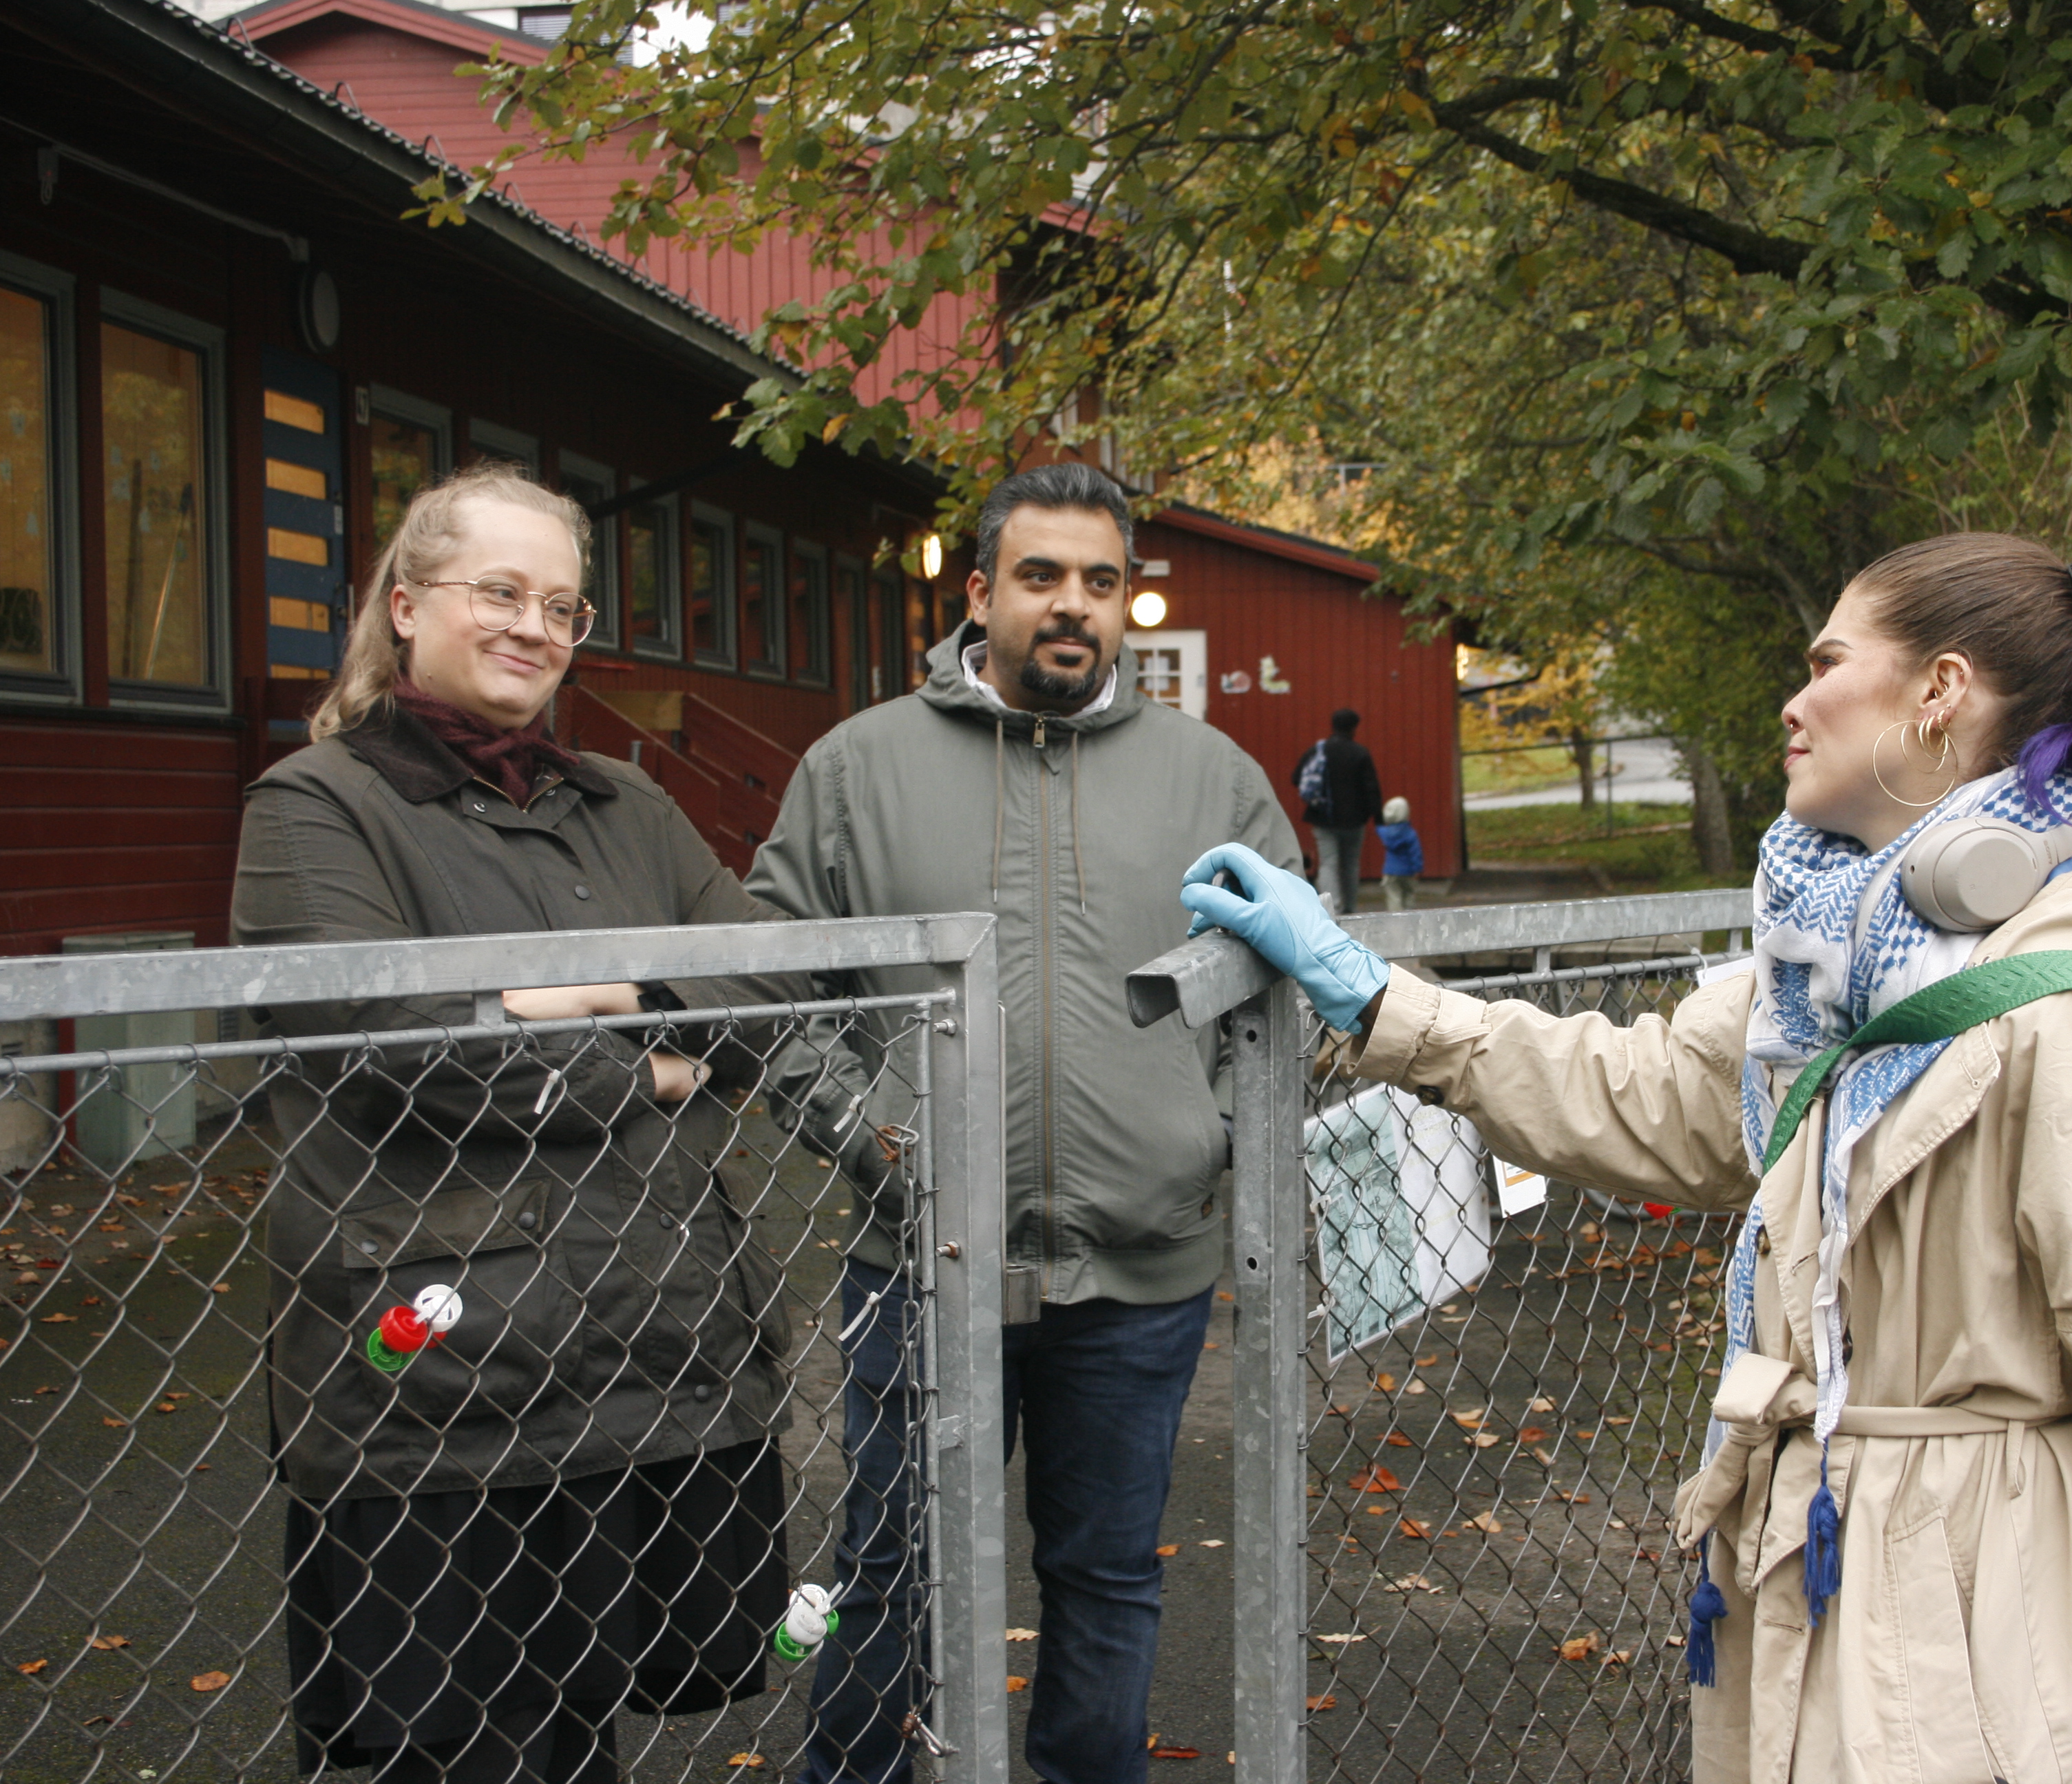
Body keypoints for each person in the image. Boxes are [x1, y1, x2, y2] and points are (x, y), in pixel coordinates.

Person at [1178, 533, 2072, 1784]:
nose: (1793, 702)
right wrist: (1372, 995)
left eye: (1827, 663)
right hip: (1827, 1587)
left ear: (1940, 692)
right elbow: (1648, 1093)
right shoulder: (1834, 977)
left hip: (2019, 1672)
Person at [232, 465, 800, 1784]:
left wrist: (589, 998)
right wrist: (653, 1067)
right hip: (442, 1387)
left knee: (585, 1728)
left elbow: (768, 989)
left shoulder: (623, 804)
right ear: (407, 602)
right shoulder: (318, 803)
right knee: (449, 1749)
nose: (534, 628)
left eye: (561, 606)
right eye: (499, 591)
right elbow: (401, 1046)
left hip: (647, 1351)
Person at [746, 462, 1304, 1784]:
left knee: (1106, 1574)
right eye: (1041, 576)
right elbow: (771, 988)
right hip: (922, 1265)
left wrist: (1206, 1135)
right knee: (890, 1566)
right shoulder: (857, 768)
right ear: (979, 591)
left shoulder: (1211, 778)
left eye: (1101, 582)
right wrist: (878, 1132)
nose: (1072, 606)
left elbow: (1286, 989)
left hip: (1140, 1274)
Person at [1292, 707, 1384, 911]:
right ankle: (1350, 907)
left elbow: (1297, 777)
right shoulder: (1360, 753)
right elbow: (1372, 788)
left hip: (1323, 818)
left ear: (1333, 726)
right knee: (1351, 864)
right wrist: (1378, 818)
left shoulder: (1318, 751)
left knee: (1329, 863)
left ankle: (1333, 908)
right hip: (1354, 820)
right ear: (1354, 728)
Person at [1374, 795, 1424, 912]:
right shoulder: (1410, 833)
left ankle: (1395, 917)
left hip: (1390, 871)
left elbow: (1378, 827)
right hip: (1408, 871)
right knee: (1409, 894)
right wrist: (1418, 868)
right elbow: (1416, 852)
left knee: (1393, 896)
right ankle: (1409, 915)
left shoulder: (1385, 833)